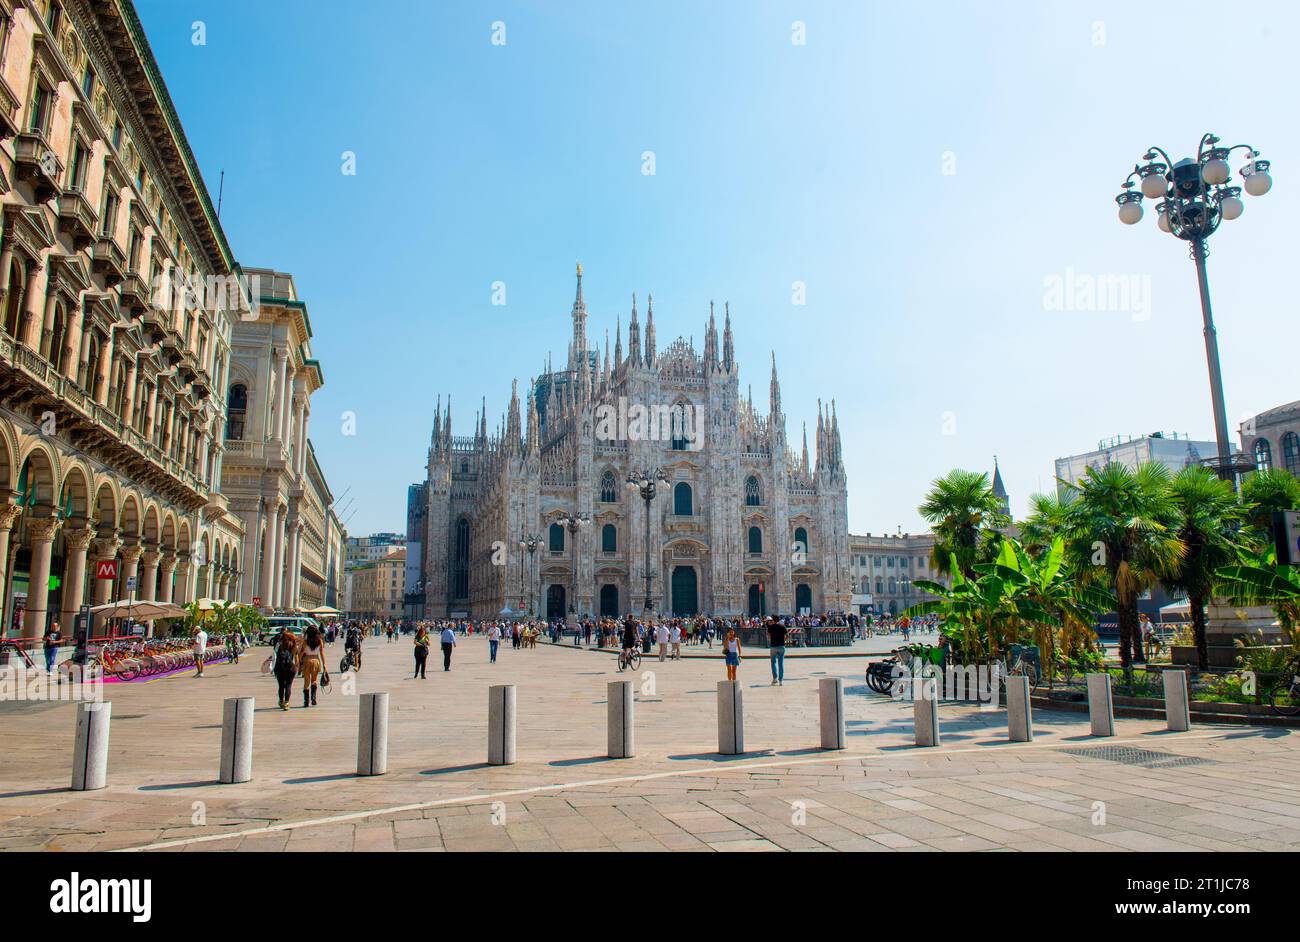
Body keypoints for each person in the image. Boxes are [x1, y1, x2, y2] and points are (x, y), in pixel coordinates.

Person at [298, 624, 327, 707]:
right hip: (316, 661)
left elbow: (301, 653)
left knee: (306, 682)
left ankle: (306, 701)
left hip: (307, 660)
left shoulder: (305, 642)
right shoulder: (319, 641)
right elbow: (322, 653)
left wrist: (300, 662)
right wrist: (324, 664)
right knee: (314, 680)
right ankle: (313, 698)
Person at [273, 629, 298, 711]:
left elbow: (274, 655)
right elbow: (296, 657)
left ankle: (281, 701)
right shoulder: (293, 645)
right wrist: (297, 666)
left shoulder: (279, 645)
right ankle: (286, 703)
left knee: (281, 686)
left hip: (280, 668)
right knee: (288, 685)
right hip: (290, 668)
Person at [766, 616, 786, 686]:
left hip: (773, 646)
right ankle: (781, 680)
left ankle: (775, 678)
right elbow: (786, 635)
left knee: (773, 662)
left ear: (773, 620)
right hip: (781, 646)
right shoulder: (782, 626)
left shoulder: (770, 627)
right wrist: (783, 641)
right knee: (781, 663)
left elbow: (768, 635)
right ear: (778, 619)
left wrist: (772, 639)